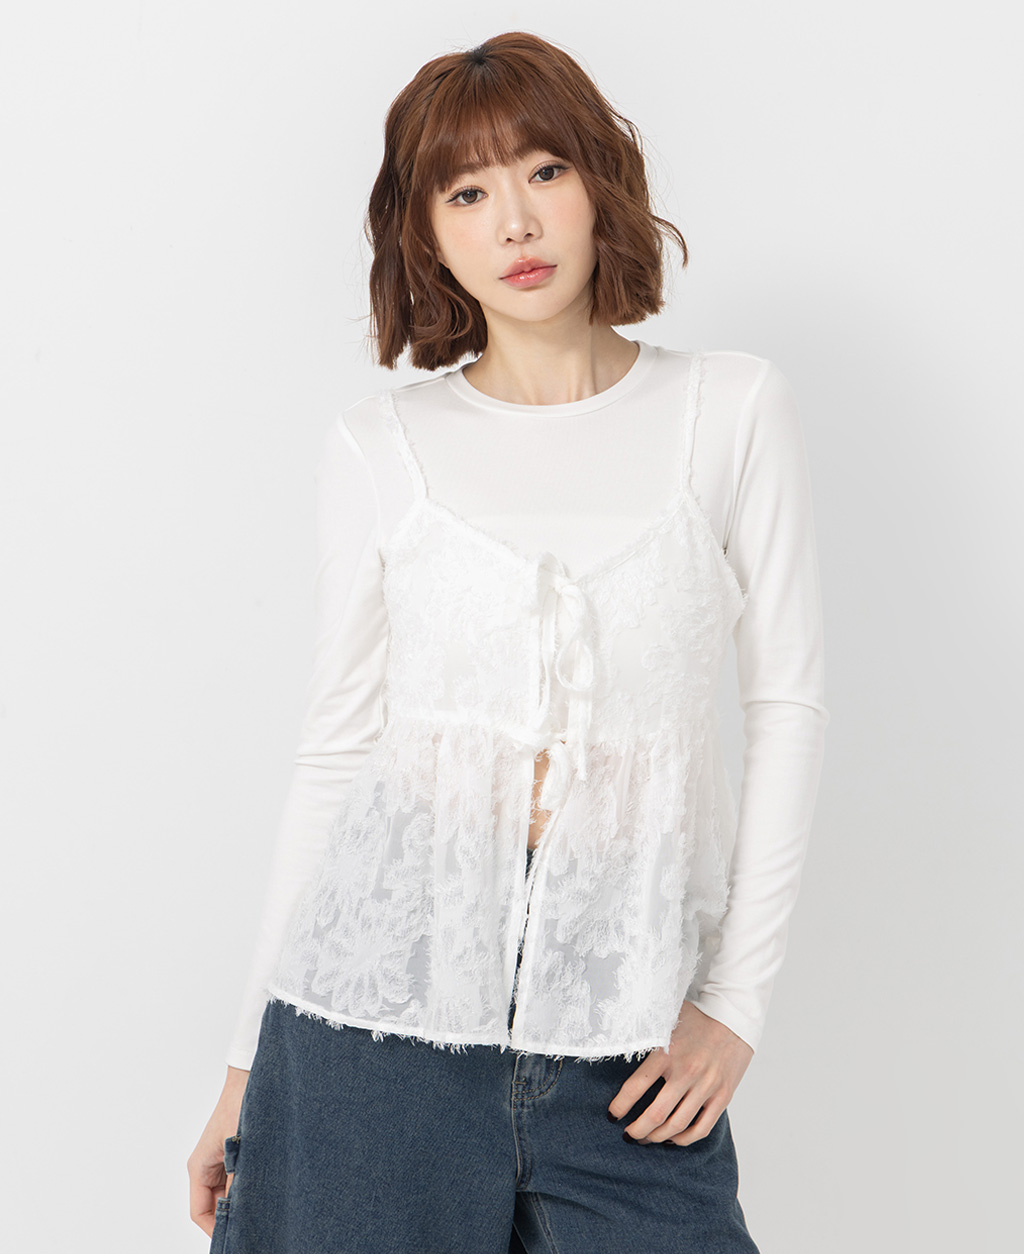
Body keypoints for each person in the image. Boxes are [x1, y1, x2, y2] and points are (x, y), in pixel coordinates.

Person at [187, 30, 828, 1253]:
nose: (516, 223)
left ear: (599, 182)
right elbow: (338, 751)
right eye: (467, 194)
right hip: (379, 1023)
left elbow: (787, 708)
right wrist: (241, 1068)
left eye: (542, 171)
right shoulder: (382, 449)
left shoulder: (731, 409)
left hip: (624, 1029)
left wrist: (734, 1008)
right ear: (426, 235)